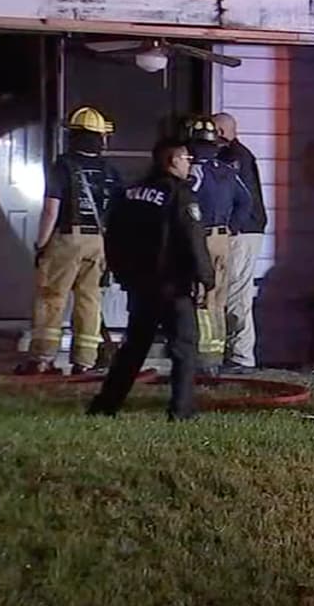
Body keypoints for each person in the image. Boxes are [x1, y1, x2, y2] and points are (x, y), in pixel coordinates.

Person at [87, 139, 214, 421]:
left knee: (133, 348)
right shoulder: (180, 194)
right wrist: (205, 277)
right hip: (173, 286)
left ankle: (105, 405)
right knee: (184, 347)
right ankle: (182, 411)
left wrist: (122, 273)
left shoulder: (130, 193)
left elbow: (113, 235)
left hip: (141, 286)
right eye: (186, 159)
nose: (190, 163)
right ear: (172, 161)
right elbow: (192, 237)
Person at [18, 106, 122, 376]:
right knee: (90, 300)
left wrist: (41, 244)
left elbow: (51, 209)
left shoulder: (63, 166)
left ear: (73, 136)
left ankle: (42, 359)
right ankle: (84, 361)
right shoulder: (110, 171)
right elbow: (119, 212)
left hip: (67, 238)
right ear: (101, 138)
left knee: (51, 296)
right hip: (99, 242)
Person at [184, 115, 253, 375]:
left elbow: (183, 202)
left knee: (201, 297)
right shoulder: (227, 171)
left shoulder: (194, 172)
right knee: (218, 299)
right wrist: (231, 227)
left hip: (200, 239)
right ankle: (216, 355)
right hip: (223, 241)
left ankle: (203, 359)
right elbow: (246, 202)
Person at [214, 112, 268, 374]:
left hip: (242, 233)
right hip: (240, 231)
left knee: (236, 292)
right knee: (228, 291)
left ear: (221, 132)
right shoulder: (233, 156)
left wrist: (232, 227)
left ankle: (241, 356)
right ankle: (231, 352)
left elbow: (241, 198)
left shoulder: (235, 158)